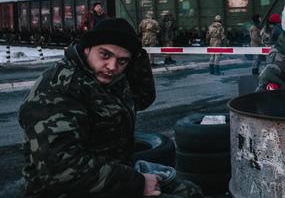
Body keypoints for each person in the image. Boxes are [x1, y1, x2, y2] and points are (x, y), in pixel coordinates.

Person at [18, 18, 203, 198]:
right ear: (86, 49)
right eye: (105, 55)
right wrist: (137, 183)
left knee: (191, 191)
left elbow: (142, 97)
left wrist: (136, 53)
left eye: (122, 61)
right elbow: (61, 169)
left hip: (111, 175)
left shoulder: (105, 79)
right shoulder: (59, 88)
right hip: (69, 189)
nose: (112, 67)